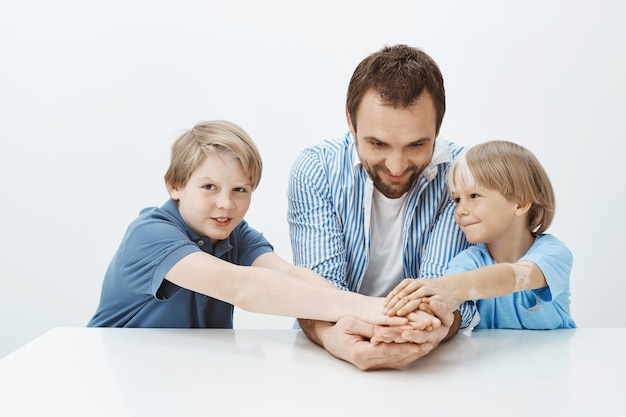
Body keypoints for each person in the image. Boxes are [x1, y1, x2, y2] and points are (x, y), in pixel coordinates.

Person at [88, 119, 420, 330]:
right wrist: (369, 308)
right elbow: (242, 286)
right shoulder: (150, 234)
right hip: (117, 370)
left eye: (240, 190)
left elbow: (288, 275)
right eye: (209, 187)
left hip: (184, 375)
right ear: (174, 185)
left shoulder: (236, 235)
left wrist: (371, 317)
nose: (225, 204)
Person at [287, 44, 475, 370]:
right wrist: (337, 337)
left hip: (435, 365)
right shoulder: (316, 169)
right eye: (377, 143)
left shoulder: (464, 175)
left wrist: (435, 328)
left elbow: (443, 294)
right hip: (322, 363)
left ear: (438, 128)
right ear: (350, 121)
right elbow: (317, 295)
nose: (397, 165)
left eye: (417, 144)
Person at [382, 140, 576, 330]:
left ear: (520, 203)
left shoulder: (553, 254)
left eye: (474, 196)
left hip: (555, 358)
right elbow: (446, 305)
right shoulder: (468, 261)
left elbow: (514, 276)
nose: (460, 211)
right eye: (457, 199)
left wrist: (447, 286)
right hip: (487, 361)